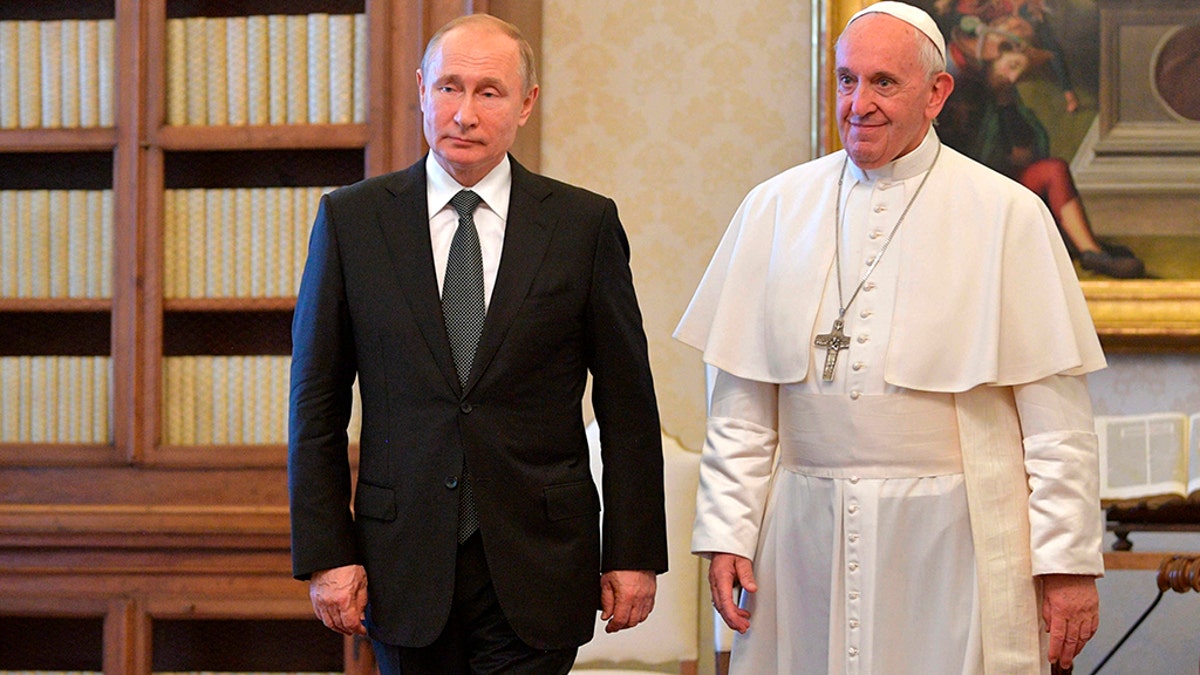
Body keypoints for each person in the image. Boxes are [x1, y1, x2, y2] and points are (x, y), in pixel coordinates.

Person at [674, 2, 1105, 672]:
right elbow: (741, 405)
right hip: (801, 537)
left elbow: (1057, 425)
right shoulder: (774, 209)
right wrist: (729, 530)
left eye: (883, 82)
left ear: (937, 93)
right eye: (848, 80)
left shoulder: (1008, 216)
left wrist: (1069, 563)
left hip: (950, 540)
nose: (858, 103)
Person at [288, 13, 666, 674]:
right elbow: (315, 404)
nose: (463, 113)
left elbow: (628, 404)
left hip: (539, 557)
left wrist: (631, 552)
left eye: (488, 92)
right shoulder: (352, 220)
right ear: (421, 90)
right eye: (448, 88)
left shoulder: (584, 225)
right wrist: (327, 551)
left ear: (525, 103)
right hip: (399, 558)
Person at [934, 0, 1145, 278]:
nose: (1012, 76)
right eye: (1010, 66)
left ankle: (1091, 252)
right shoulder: (962, 89)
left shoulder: (1004, 96)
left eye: (1018, 71)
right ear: (992, 54)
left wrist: (1006, 106)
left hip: (1000, 185)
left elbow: (1025, 150)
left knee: (1054, 169)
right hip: (970, 192)